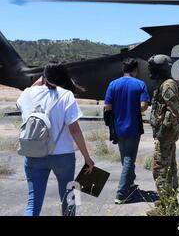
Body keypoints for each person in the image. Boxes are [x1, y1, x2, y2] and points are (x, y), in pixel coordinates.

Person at [16, 63, 95, 216]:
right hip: (63, 156)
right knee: (69, 200)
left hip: (33, 154)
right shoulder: (66, 95)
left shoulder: (27, 93)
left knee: (33, 203)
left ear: (44, 77)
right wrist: (87, 157)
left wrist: (40, 80)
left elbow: (20, 103)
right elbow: (75, 130)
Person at [104, 58, 150, 204]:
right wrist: (132, 109)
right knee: (130, 158)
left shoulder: (113, 84)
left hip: (117, 127)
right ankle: (121, 193)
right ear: (135, 70)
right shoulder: (140, 84)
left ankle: (130, 184)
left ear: (124, 70)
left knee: (125, 159)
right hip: (133, 127)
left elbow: (107, 106)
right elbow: (143, 106)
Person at [148, 55, 179, 207]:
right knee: (170, 168)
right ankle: (169, 201)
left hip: (165, 135)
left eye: (152, 68)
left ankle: (166, 205)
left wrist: (162, 130)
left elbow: (172, 111)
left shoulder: (167, 85)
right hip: (167, 134)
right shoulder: (164, 83)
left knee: (159, 170)